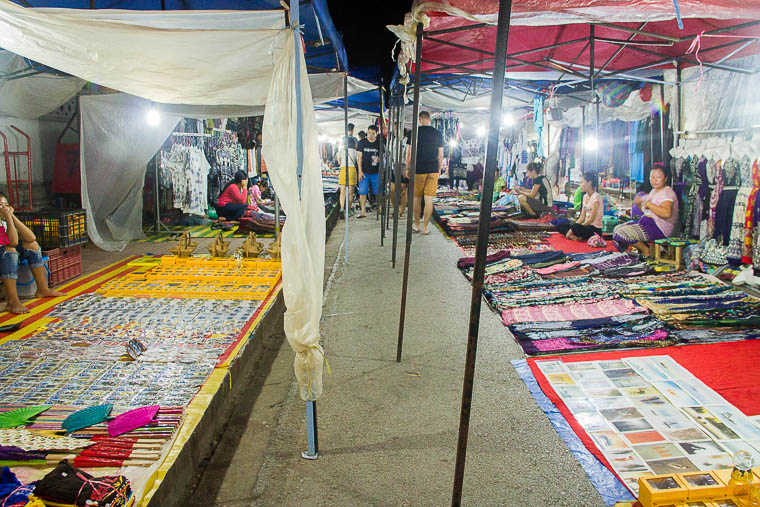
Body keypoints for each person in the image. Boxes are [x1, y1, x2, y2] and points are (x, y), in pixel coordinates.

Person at [0, 195, 64, 314]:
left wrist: (12, 216)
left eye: (6, 205)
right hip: (4, 254)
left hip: (4, 251)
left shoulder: (4, 220)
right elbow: (12, 242)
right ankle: (12, 301)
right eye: (0, 205)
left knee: (33, 245)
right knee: (10, 252)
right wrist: (8, 216)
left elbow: (31, 237)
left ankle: (42, 289)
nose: (4, 208)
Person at [613, 163, 678, 256]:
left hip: (659, 228)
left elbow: (667, 213)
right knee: (616, 229)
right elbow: (646, 211)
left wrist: (649, 204)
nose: (654, 180)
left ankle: (646, 251)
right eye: (652, 177)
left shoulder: (667, 193)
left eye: (658, 177)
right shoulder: (654, 191)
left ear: (665, 178)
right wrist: (639, 203)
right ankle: (646, 250)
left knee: (621, 233)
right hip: (647, 222)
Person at [405, 111, 444, 235]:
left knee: (417, 198)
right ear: (430, 120)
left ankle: (416, 225)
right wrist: (438, 168)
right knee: (429, 199)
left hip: (418, 169)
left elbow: (409, 153)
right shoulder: (438, 133)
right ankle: (426, 227)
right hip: (432, 169)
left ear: (419, 119)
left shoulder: (413, 133)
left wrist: (407, 168)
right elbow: (441, 155)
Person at [556, 173, 603, 240]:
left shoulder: (596, 197)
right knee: (560, 225)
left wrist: (575, 228)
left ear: (589, 182)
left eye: (582, 183)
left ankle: (575, 236)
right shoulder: (585, 196)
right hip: (585, 227)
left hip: (594, 229)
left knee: (576, 227)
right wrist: (573, 228)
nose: (580, 185)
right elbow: (582, 217)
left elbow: (591, 219)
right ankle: (577, 236)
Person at [356, 125, 382, 218]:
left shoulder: (379, 143)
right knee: (362, 192)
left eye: (373, 133)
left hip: (376, 172)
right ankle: (363, 211)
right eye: (369, 133)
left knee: (378, 192)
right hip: (364, 172)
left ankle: (379, 207)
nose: (371, 135)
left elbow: (383, 156)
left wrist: (380, 159)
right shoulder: (362, 142)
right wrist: (359, 171)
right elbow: (359, 158)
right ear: (367, 132)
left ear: (376, 134)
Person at [338, 131, 358, 218]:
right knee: (350, 192)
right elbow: (357, 162)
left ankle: (342, 209)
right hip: (351, 170)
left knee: (342, 192)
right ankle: (348, 209)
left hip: (343, 170)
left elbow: (339, 162)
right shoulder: (355, 152)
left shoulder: (341, 151)